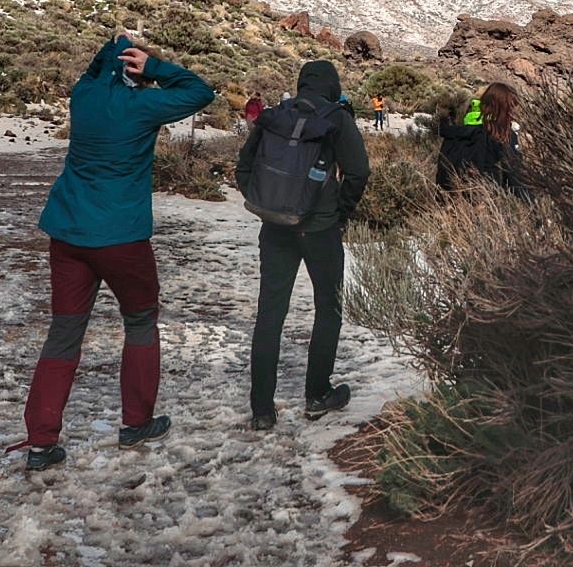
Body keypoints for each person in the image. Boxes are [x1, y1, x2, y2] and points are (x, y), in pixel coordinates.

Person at [19, 34, 216, 473]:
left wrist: (111, 54)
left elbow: (91, 74)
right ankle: (136, 422)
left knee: (64, 333)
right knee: (141, 320)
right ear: (133, 74)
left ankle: (40, 442)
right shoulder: (142, 106)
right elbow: (201, 91)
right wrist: (156, 67)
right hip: (122, 237)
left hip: (68, 232)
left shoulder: (83, 97)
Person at [236, 60, 370, 431]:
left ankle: (262, 409)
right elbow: (359, 172)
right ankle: (317, 395)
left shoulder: (277, 115)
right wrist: (338, 212)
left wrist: (262, 201)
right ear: (332, 84)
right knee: (328, 307)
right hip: (320, 228)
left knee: (270, 314)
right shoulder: (338, 118)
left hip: (275, 226)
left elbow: (244, 165)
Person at [435, 82, 524, 196]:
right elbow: (515, 176)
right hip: (486, 202)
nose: (514, 113)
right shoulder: (501, 134)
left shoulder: (456, 132)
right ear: (504, 108)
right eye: (512, 107)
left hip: (449, 200)